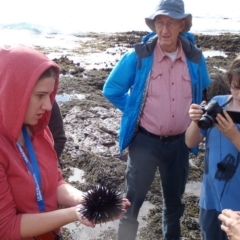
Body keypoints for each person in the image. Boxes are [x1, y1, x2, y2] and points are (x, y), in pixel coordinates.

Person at [102, 0, 211, 239]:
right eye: (159, 22)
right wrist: (134, 110)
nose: (164, 30)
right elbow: (112, 89)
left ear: (182, 25)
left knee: (174, 207)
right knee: (130, 206)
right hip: (144, 143)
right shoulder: (138, 56)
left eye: (170, 23)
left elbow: (205, 92)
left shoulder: (195, 58)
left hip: (180, 145)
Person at [0, 45, 130, 239]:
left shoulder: (40, 133)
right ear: (14, 92)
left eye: (49, 95)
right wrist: (73, 214)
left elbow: (55, 181)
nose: (47, 106)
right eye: (40, 96)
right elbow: (6, 227)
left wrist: (83, 199)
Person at [185, 55, 240, 240]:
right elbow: (190, 142)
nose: (239, 94)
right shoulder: (218, 102)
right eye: (236, 87)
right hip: (211, 200)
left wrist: (234, 135)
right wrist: (195, 121)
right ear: (230, 81)